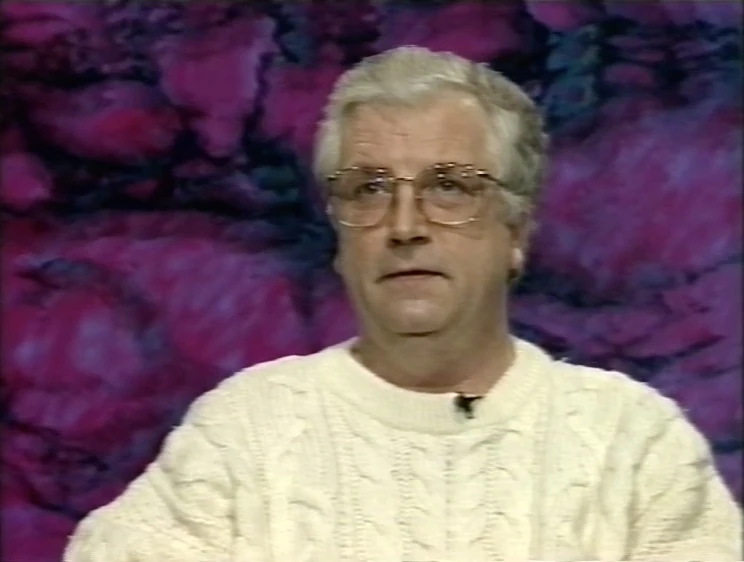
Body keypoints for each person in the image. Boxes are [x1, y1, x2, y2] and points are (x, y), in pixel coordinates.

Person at [64, 46, 741, 562]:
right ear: (339, 236)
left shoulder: (633, 443)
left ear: (516, 232)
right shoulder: (245, 433)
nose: (405, 225)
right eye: (369, 190)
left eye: (448, 187)